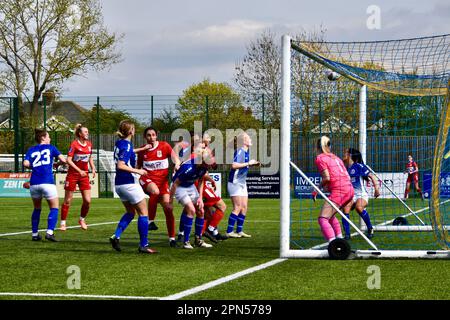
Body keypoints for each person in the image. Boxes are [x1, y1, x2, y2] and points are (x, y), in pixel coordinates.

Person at [109, 120, 156, 254]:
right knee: (143, 214)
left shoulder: (120, 143)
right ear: (130, 131)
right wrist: (138, 171)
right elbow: (121, 165)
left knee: (130, 212)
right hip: (129, 183)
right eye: (134, 129)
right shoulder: (127, 146)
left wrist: (142, 149)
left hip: (119, 185)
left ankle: (116, 236)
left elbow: (127, 152)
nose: (135, 131)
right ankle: (143, 245)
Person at [136, 127, 181, 247]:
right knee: (154, 191)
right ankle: (151, 221)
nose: (151, 137)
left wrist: (176, 164)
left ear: (156, 136)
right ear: (145, 137)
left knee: (169, 209)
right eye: (149, 135)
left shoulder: (164, 146)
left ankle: (172, 239)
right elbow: (138, 167)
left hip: (162, 183)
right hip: (147, 179)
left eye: (153, 135)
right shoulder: (142, 150)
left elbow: (175, 158)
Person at [23, 129, 67, 242]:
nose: (50, 138)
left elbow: (25, 163)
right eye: (48, 136)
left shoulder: (31, 149)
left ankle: (34, 234)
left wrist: (35, 167)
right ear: (43, 138)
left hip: (34, 183)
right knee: (54, 207)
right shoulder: (51, 147)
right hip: (47, 182)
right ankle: (49, 232)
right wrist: (57, 163)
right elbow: (63, 159)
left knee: (37, 209)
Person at [170, 144, 214, 249]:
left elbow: (201, 180)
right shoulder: (188, 167)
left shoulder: (203, 167)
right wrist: (170, 201)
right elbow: (175, 183)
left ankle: (198, 240)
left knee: (201, 210)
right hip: (179, 187)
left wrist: (200, 197)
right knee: (191, 210)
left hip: (190, 186)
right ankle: (186, 242)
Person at [313, 136, 354, 243]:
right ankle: (339, 239)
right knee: (330, 216)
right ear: (329, 146)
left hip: (340, 191)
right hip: (349, 189)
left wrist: (316, 189)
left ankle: (333, 244)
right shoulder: (336, 158)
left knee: (323, 219)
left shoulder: (320, 158)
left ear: (318, 147)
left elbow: (327, 178)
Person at [60, 124, 96, 231]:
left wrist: (93, 168)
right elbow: (68, 160)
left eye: (87, 132)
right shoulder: (74, 144)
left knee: (87, 200)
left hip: (84, 175)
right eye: (85, 132)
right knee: (67, 200)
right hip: (73, 175)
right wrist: (79, 170)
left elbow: (90, 157)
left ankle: (82, 219)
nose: (87, 133)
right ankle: (63, 223)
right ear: (80, 134)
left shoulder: (89, 144)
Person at [225, 132, 260, 238]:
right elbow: (234, 165)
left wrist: (253, 164)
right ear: (243, 141)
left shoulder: (246, 152)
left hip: (242, 183)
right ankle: (229, 231)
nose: (250, 139)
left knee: (244, 207)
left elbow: (243, 166)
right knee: (238, 206)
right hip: (235, 182)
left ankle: (239, 230)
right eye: (248, 137)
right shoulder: (240, 151)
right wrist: (249, 163)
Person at [342, 148, 380, 239]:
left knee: (359, 208)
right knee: (345, 210)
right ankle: (347, 235)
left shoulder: (359, 166)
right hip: (351, 195)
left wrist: (377, 189)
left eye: (345, 153)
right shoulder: (345, 168)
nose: (343, 154)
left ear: (350, 155)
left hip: (361, 194)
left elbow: (372, 176)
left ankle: (370, 228)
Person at [199, 173, 229, 243]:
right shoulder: (197, 163)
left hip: (201, 186)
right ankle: (210, 229)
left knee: (207, 213)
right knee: (222, 206)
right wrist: (212, 181)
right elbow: (203, 174)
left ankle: (202, 235)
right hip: (202, 188)